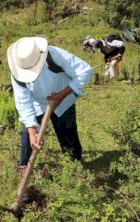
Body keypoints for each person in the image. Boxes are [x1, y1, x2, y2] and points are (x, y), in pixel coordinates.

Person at [7, 37, 93, 170]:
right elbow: (23, 101)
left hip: (64, 99)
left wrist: (61, 95)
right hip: (38, 104)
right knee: (27, 135)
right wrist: (32, 131)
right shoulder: (17, 71)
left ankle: (75, 165)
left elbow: (85, 71)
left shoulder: (54, 55)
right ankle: (24, 166)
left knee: (68, 134)